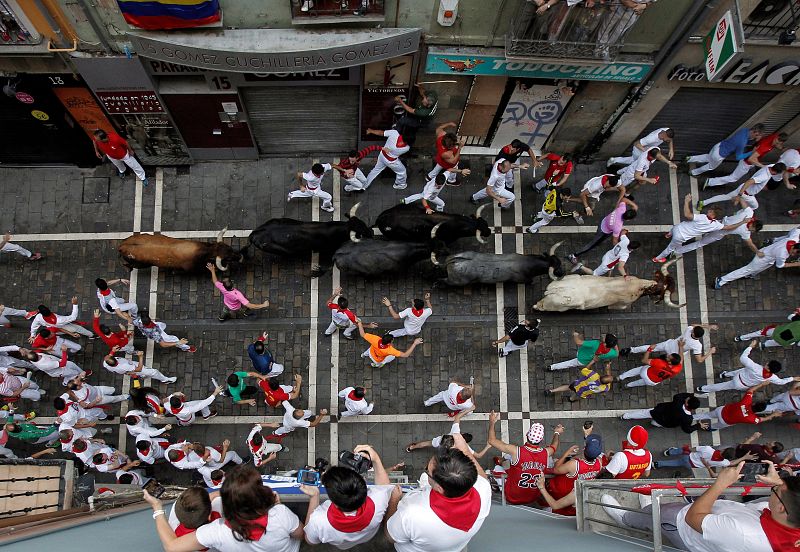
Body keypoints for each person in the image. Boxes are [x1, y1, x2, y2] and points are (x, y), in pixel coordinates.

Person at [605, 462, 800, 552]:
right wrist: (777, 484)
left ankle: (625, 518)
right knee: (658, 508)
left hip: (687, 527)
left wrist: (721, 484)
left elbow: (693, 517)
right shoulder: (788, 523)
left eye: (775, 490)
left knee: (661, 514)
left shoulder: (744, 533)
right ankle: (647, 509)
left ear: (782, 508)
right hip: (716, 518)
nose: (773, 488)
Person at [143, 464, 305, 551]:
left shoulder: (216, 531)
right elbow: (301, 534)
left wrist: (157, 507)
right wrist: (276, 506)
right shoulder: (280, 514)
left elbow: (171, 546)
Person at [384, 433, 491, 552]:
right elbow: (482, 477)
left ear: (440, 488)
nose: (426, 471)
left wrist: (393, 500)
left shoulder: (412, 513)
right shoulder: (483, 490)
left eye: (427, 471)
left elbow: (390, 536)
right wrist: (465, 450)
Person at [301, 444, 395, 549]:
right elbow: (385, 487)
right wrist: (376, 459)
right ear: (363, 485)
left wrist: (314, 497)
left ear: (333, 501)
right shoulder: (378, 500)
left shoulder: (318, 521)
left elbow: (310, 540)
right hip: (368, 535)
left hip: (342, 544)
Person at [487, 410, 562, 504]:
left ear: (527, 435)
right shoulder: (546, 452)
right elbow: (554, 446)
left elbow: (492, 440)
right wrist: (557, 433)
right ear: (541, 440)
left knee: (497, 468)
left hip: (512, 495)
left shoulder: (516, 451)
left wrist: (492, 423)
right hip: (532, 497)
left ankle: (495, 485)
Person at [653, 194, 747, 262]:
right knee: (669, 249)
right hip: (681, 237)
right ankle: (658, 258)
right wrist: (742, 222)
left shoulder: (702, 217)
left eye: (710, 210)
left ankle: (666, 239)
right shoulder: (716, 225)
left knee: (671, 234)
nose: (708, 211)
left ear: (712, 213)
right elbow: (729, 227)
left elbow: (687, 215)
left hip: (678, 228)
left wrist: (686, 202)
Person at [536, 429, 606, 516]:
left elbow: (556, 469)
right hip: (568, 492)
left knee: (544, 504)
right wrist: (586, 438)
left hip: (558, 489)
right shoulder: (599, 463)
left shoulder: (574, 465)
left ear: (584, 449)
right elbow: (586, 457)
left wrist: (567, 452)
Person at [698, 342, 797, 394]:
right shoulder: (772, 377)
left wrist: (750, 346)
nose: (766, 362)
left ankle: (724, 374)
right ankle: (702, 388)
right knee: (721, 387)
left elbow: (743, 358)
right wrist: (793, 378)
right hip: (741, 384)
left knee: (738, 371)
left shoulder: (755, 367)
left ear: (768, 366)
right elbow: (782, 382)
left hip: (740, 375)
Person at [675, 201, 762, 257]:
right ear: (753, 226)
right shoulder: (745, 232)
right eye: (753, 230)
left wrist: (738, 197)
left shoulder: (749, 212)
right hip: (720, 230)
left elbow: (744, 203)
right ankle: (678, 251)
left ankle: (679, 238)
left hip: (718, 223)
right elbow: (750, 244)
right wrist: (757, 252)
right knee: (700, 243)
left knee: (697, 229)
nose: (752, 231)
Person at [715, 231, 800, 288]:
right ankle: (722, 280)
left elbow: (796, 230)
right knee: (747, 269)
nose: (794, 254)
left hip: (768, 255)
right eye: (795, 252)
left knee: (759, 269)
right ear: (794, 247)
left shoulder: (793, 239)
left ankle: (750, 274)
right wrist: (797, 264)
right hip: (762, 259)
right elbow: (780, 265)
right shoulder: (782, 254)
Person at [567, 197, 638, 264]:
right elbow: (614, 242)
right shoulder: (617, 227)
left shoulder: (621, 209)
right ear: (628, 220)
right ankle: (573, 255)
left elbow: (623, 199)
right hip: (603, 231)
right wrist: (622, 247)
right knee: (591, 244)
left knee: (599, 240)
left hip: (604, 222)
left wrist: (633, 205)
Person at [704, 131, 786, 189]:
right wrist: (764, 166)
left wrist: (781, 148)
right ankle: (710, 182)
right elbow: (751, 159)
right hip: (746, 162)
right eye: (777, 141)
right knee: (733, 178)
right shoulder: (764, 147)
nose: (776, 142)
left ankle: (710, 182)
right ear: (777, 138)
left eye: (779, 142)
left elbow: (770, 143)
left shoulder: (773, 136)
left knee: (733, 177)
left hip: (748, 159)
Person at [406, 406, 490, 458]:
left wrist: (469, 409)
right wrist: (487, 446)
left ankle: (411, 448)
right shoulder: (465, 447)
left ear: (463, 434)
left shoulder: (456, 432)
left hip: (439, 441)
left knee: (425, 444)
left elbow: (457, 417)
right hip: (445, 450)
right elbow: (478, 456)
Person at [693, 383, 783, 430]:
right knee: (717, 426)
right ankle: (709, 428)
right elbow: (762, 419)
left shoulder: (746, 402)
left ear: (754, 403)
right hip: (725, 421)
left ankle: (692, 417)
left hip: (721, 411)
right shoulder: (752, 418)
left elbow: (751, 390)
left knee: (708, 415)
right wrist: (773, 415)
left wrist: (762, 384)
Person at [700, 163, 786, 211]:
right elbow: (749, 182)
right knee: (754, 207)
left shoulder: (770, 166)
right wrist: (739, 195)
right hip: (745, 193)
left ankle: (704, 202)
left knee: (726, 197)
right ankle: (740, 215)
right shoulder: (763, 176)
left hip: (748, 191)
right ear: (775, 172)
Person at [688, 123, 765, 176]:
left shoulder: (744, 130)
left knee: (707, 157)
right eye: (759, 135)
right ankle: (693, 172)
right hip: (719, 155)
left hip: (718, 146)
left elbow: (747, 138)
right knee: (711, 166)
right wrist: (751, 152)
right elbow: (738, 157)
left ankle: (689, 158)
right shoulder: (742, 142)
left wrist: (755, 139)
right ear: (756, 133)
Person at [622, 323, 716, 364]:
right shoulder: (697, 345)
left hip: (669, 344)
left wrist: (707, 326)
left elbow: (694, 325)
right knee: (665, 362)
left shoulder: (689, 329)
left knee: (650, 347)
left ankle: (631, 350)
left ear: (693, 332)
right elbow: (699, 360)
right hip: (676, 355)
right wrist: (710, 352)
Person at [621, 393, 709, 433]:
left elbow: (678, 396)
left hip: (658, 412)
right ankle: (653, 423)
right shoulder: (688, 418)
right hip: (665, 422)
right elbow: (687, 429)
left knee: (643, 413)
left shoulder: (678, 401)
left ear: (686, 403)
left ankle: (625, 416)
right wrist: (698, 426)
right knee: (655, 423)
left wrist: (690, 395)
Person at [570, 230, 640, 277]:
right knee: (594, 274)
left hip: (608, 255)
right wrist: (625, 276)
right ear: (634, 249)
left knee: (612, 266)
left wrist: (625, 231)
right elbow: (620, 267)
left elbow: (622, 233)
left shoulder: (626, 240)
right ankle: (580, 266)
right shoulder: (625, 255)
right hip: (607, 264)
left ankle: (608, 277)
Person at [617, 341, 683, 388]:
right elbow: (681, 358)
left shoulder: (659, 362)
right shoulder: (678, 368)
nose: (667, 356)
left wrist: (649, 349)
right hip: (653, 382)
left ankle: (620, 377)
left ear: (670, 362)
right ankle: (627, 386)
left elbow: (644, 360)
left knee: (637, 370)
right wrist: (681, 347)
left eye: (669, 357)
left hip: (645, 373)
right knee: (640, 383)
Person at [357, 320, 422, 368]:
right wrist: (414, 343)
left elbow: (362, 334)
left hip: (371, 351)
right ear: (389, 343)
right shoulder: (390, 350)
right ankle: (376, 365)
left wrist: (360, 324)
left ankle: (363, 355)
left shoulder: (376, 339)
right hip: (378, 359)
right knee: (391, 357)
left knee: (367, 352)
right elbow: (405, 355)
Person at [655, 445, 753, 476]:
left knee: (682, 450)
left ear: (723, 450)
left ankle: (669, 452)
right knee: (675, 463)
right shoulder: (723, 462)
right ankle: (656, 464)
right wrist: (744, 457)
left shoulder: (708, 449)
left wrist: (686, 447)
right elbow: (732, 463)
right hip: (691, 465)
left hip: (688, 456)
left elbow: (693, 449)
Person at [545, 359, 613, 402]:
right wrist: (608, 370)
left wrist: (592, 361)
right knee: (576, 397)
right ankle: (571, 399)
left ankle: (552, 391)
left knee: (568, 387)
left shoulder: (594, 376)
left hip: (577, 385)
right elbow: (607, 381)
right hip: (583, 393)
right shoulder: (606, 388)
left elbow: (584, 370)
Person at [608, 127, 675, 169]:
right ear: (664, 135)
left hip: (647, 148)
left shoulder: (667, 130)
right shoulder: (651, 139)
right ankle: (614, 160)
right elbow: (636, 143)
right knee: (633, 161)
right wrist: (647, 151)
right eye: (667, 139)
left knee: (636, 161)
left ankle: (616, 162)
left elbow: (670, 140)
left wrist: (671, 149)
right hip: (638, 149)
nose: (668, 141)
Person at [549, 331, 619, 371]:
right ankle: (552, 367)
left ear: (605, 342)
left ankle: (552, 367)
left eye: (605, 337)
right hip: (584, 361)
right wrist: (614, 343)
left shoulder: (595, 343)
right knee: (568, 364)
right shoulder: (611, 352)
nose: (603, 335)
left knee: (568, 363)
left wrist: (575, 335)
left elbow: (578, 342)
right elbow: (617, 353)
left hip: (580, 353)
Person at [29, 297, 93, 339]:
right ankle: (91, 335)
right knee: (78, 328)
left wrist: (32, 335)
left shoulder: (38, 317)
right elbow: (73, 317)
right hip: (62, 326)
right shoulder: (59, 320)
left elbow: (34, 326)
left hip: (54, 330)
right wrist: (75, 304)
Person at [735, 307, 800, 349]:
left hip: (777, 331)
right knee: (788, 342)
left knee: (760, 333)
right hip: (784, 341)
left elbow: (790, 317)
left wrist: (795, 313)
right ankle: (764, 345)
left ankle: (741, 338)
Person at [103, 348, 176, 384]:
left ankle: (142, 376)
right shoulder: (124, 365)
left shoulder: (106, 364)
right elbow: (139, 369)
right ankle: (165, 380)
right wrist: (140, 356)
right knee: (154, 372)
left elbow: (109, 358)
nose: (108, 355)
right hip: (136, 368)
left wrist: (112, 351)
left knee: (139, 373)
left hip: (129, 370)